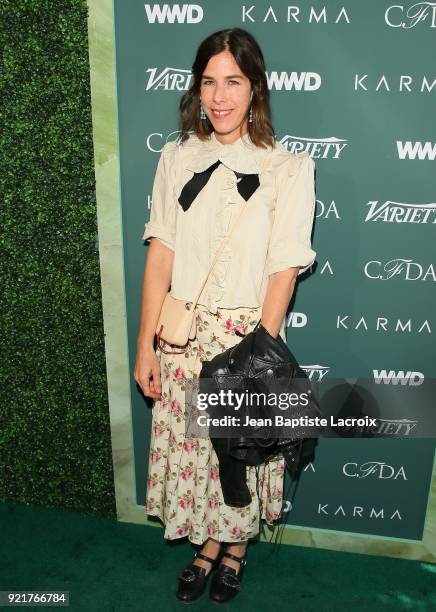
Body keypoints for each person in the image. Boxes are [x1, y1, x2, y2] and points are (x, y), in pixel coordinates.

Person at [134, 27, 317, 604]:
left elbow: (284, 268)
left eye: (233, 82)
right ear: (197, 89)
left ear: (255, 88)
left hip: (243, 337)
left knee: (234, 456)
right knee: (195, 453)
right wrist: (145, 345)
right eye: (209, 82)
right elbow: (160, 252)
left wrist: (259, 348)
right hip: (182, 335)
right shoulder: (175, 157)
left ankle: (232, 550)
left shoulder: (289, 168)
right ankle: (205, 546)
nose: (219, 97)